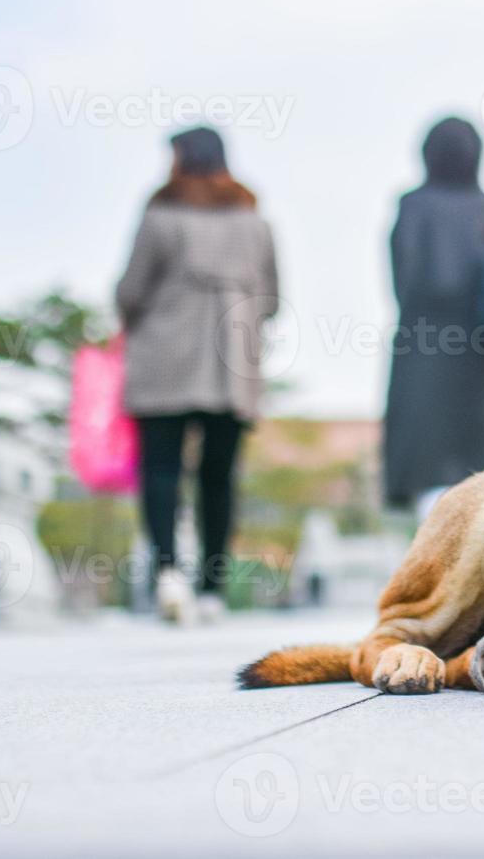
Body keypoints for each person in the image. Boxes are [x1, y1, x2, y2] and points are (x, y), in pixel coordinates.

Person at [116, 126, 279, 623]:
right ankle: (212, 588)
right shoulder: (255, 224)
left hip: (166, 358)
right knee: (218, 477)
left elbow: (130, 293)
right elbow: (272, 300)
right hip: (233, 365)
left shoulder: (160, 217)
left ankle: (168, 573)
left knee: (161, 469)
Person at [382, 117, 484, 514]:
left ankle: (430, 545)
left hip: (422, 341)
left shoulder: (412, 206)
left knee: (424, 453)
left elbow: (402, 280)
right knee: (475, 457)